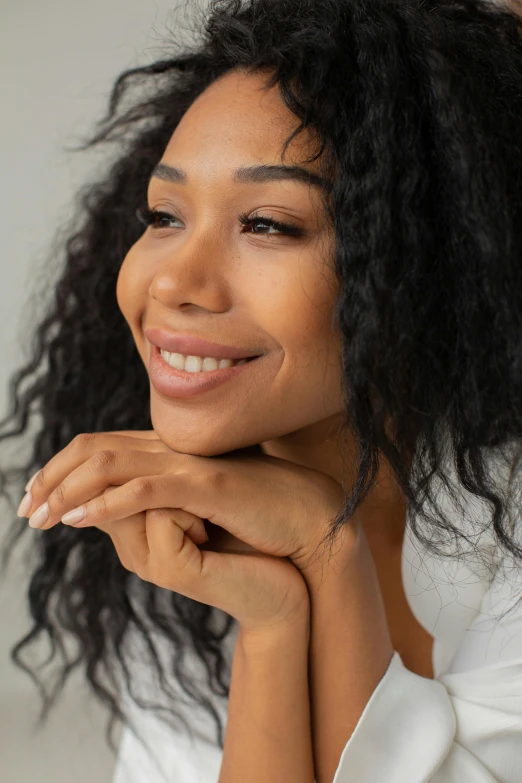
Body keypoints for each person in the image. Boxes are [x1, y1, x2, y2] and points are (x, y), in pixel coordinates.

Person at [2, 0, 522, 780]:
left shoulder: (507, 530)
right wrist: (274, 618)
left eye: (269, 224)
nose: (173, 280)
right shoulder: (171, 540)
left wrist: (326, 545)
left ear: (416, 266)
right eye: (163, 214)